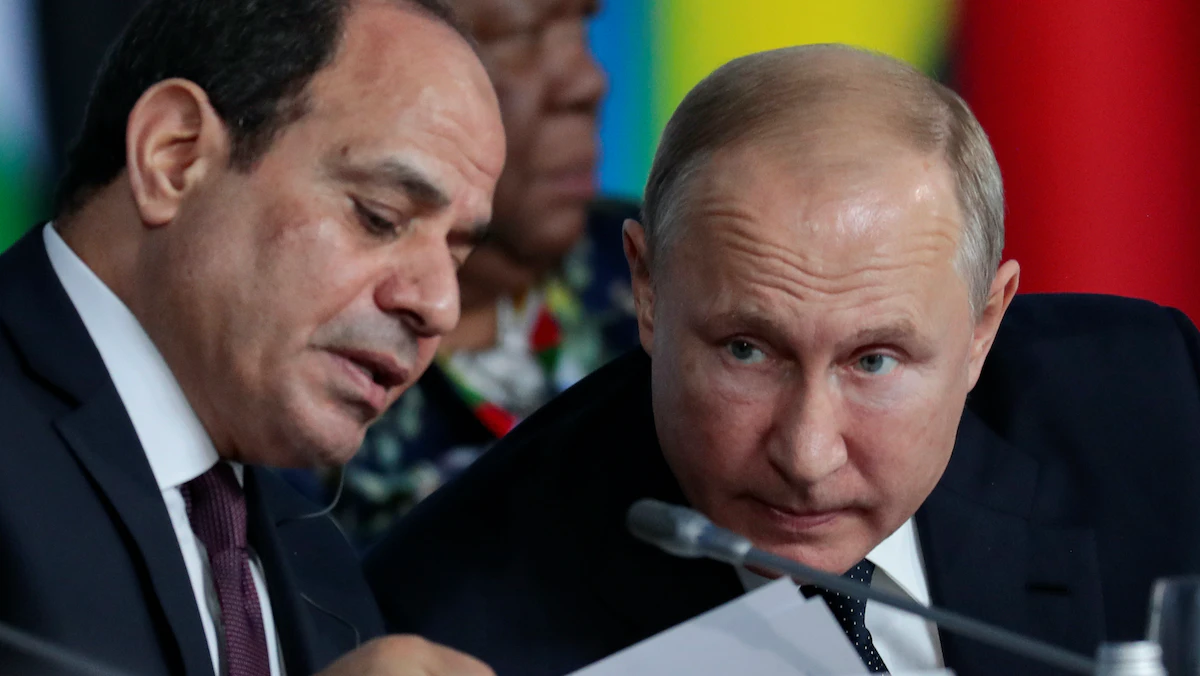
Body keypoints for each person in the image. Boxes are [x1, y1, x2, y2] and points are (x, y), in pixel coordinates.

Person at [364, 44, 1200, 676]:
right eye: (747, 350)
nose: (807, 455)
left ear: (984, 325)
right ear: (649, 291)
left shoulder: (1157, 405)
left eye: (874, 361)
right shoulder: (455, 618)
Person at [0, 1, 504, 675]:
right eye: (379, 216)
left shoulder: (324, 569)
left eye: (457, 258)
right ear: (174, 157)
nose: (439, 305)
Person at [309, 0, 640, 546]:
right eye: (523, 34)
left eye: (582, 24)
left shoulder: (666, 273)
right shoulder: (294, 353)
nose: (588, 80)